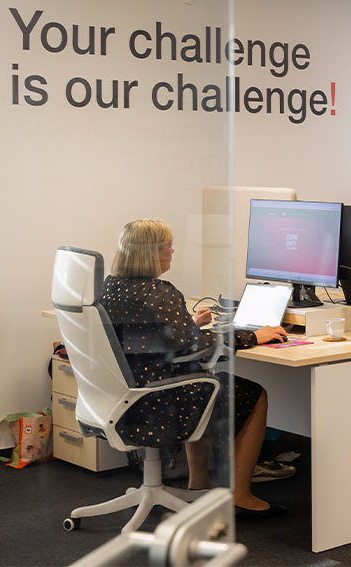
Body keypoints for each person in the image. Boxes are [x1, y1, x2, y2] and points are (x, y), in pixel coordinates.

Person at [99, 219, 288, 517]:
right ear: (151, 253)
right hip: (160, 403)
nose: (173, 251)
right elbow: (196, 347)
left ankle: (199, 483)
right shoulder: (159, 292)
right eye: (168, 246)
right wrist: (252, 336)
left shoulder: (110, 286)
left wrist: (187, 324)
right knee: (251, 392)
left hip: (125, 398)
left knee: (200, 380)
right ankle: (240, 493)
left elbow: (142, 336)